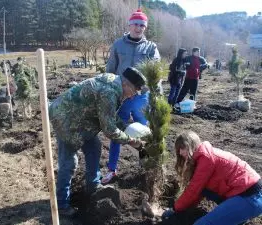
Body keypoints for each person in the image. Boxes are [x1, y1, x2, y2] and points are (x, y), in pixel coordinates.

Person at [49, 67, 146, 217]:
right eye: (134, 91)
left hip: (81, 119)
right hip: (66, 120)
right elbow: (109, 130)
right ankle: (61, 204)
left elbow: (108, 115)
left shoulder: (115, 83)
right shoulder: (109, 92)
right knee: (69, 162)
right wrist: (131, 141)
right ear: (126, 84)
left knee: (94, 146)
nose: (133, 96)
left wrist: (125, 127)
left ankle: (93, 185)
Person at [103, 9, 160, 184]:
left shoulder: (151, 48)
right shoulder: (118, 45)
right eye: (136, 24)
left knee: (143, 133)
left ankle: (146, 167)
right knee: (116, 132)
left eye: (142, 25)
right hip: (121, 96)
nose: (139, 28)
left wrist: (157, 97)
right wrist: (106, 91)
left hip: (141, 98)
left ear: (145, 28)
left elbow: (155, 74)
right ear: (129, 24)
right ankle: (112, 170)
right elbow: (110, 69)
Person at [162, 131, 262, 225]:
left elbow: (193, 189)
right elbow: (199, 192)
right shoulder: (203, 157)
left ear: (191, 145)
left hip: (249, 197)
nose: (180, 153)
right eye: (178, 149)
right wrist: (182, 210)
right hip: (246, 197)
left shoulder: (206, 158)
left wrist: (175, 208)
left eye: (182, 148)